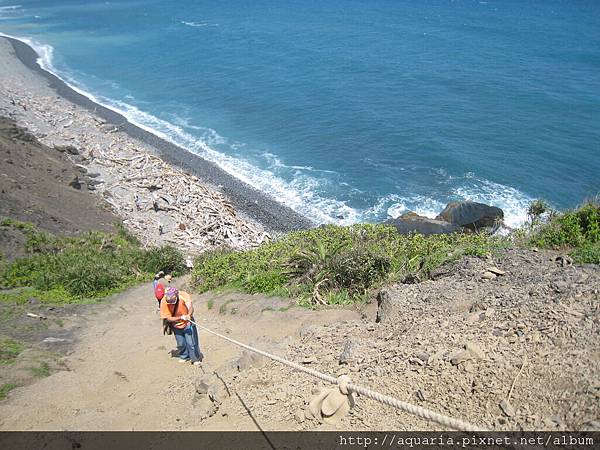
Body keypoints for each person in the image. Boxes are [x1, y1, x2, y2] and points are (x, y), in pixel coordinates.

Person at [160, 286, 202, 365]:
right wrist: (180, 317)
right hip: (176, 324)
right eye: (169, 302)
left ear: (176, 296)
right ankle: (184, 356)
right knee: (181, 343)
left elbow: (190, 307)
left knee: (191, 342)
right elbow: (168, 318)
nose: (171, 303)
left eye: (173, 301)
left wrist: (189, 315)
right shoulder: (163, 302)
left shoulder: (183, 295)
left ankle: (195, 358)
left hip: (187, 322)